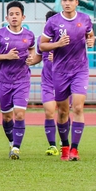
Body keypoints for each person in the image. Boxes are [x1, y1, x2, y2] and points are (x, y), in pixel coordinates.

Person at [39, 0, 95, 161]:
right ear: (61, 2)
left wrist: (91, 40)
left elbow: (90, 34)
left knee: (77, 107)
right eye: (64, 0)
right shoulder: (53, 22)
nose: (67, 3)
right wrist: (57, 44)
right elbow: (42, 45)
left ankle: (75, 150)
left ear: (77, 2)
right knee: (62, 111)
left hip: (80, 69)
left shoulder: (85, 19)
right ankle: (64, 146)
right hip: (60, 71)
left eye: (71, 0)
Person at [0, 1, 36, 160]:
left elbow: (32, 50)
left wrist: (32, 58)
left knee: (19, 114)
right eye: (11, 14)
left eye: (17, 14)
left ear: (23, 17)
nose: (14, 17)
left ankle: (16, 148)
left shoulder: (29, 35)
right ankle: (11, 141)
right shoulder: (0, 34)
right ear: (7, 17)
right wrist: (6, 56)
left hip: (22, 80)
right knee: (7, 117)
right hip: (4, 81)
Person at [29, 11, 60, 156]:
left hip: (64, 81)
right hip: (47, 82)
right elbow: (38, 57)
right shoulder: (42, 39)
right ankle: (52, 145)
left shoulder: (66, 38)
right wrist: (28, 61)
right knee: (49, 111)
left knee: (63, 112)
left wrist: (60, 58)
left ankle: (63, 141)